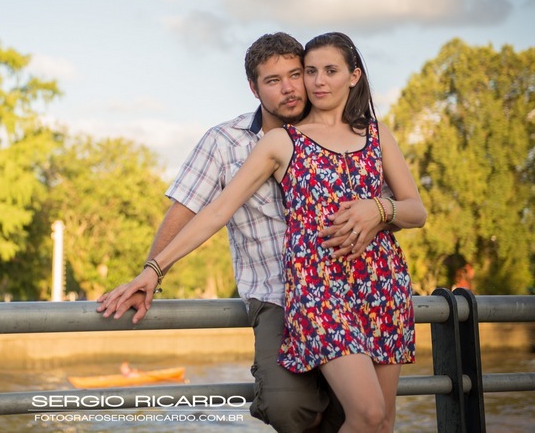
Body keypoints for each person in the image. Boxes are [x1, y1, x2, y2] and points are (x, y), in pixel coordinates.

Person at [100, 32, 426, 433]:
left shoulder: (375, 134)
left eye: (316, 72)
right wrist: (153, 269)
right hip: (312, 289)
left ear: (354, 76)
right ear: (254, 88)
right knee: (354, 413)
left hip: (380, 282)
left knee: (381, 421)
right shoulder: (275, 141)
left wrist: (378, 208)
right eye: (309, 72)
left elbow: (415, 209)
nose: (308, 83)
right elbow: (211, 210)